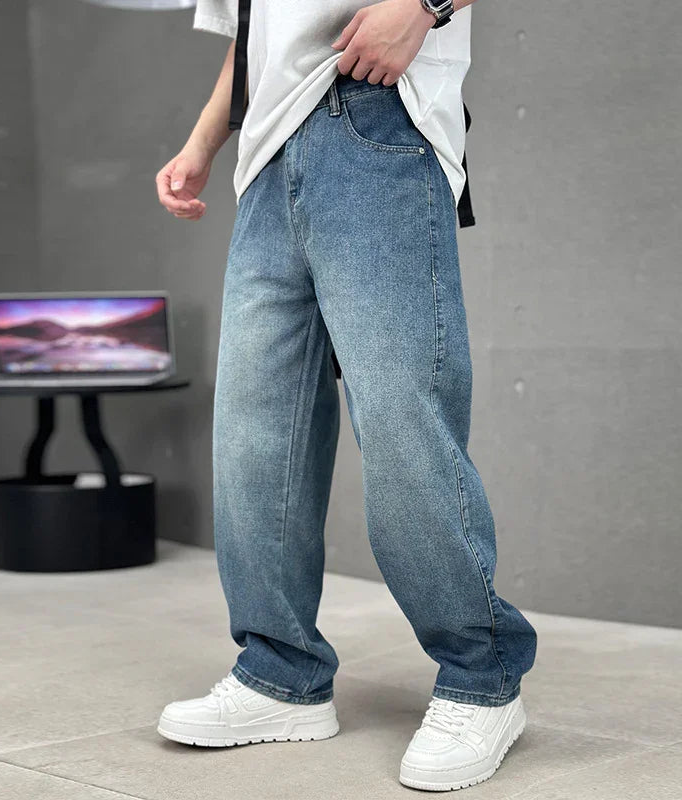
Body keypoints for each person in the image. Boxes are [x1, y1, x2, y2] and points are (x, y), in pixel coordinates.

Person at [154, 0, 537, 791]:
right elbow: (253, 38)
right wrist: (200, 145)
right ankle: (280, 673)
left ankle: (482, 676)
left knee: (402, 421)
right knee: (256, 437)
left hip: (376, 119)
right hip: (265, 159)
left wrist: (423, 8)